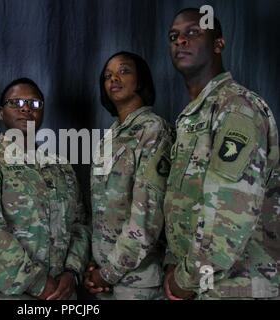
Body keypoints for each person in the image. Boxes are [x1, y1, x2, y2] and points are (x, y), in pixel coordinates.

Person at [164, 8, 280, 300]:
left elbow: (230, 216)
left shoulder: (236, 107)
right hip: (204, 285)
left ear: (219, 44)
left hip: (238, 286)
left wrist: (184, 279)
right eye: (174, 36)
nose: (180, 41)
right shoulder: (194, 115)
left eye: (193, 32)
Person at [0, 77, 90, 300]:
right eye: (16, 102)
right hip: (5, 295)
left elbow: (81, 225)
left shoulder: (60, 167)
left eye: (35, 104)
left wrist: (72, 273)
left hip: (61, 294)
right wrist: (37, 284)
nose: (26, 108)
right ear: (1, 112)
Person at [84, 51, 173, 300]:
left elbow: (148, 217)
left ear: (140, 80)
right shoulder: (109, 137)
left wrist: (108, 273)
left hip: (138, 282)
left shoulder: (154, 130)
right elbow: (102, 211)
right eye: (107, 75)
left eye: (124, 71)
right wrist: (95, 267)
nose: (114, 78)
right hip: (105, 279)